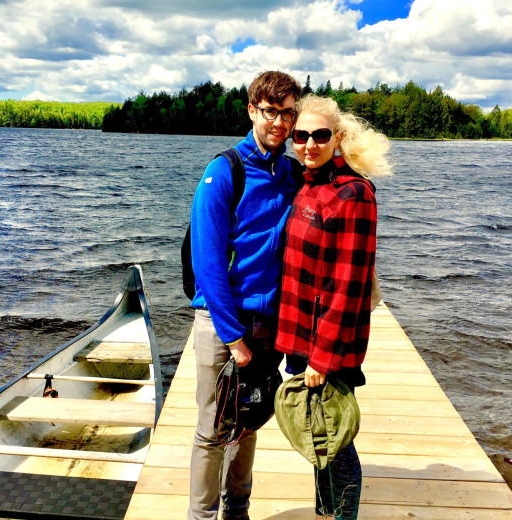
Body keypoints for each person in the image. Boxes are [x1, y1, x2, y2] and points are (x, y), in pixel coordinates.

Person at [188, 71, 303, 520]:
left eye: (288, 113)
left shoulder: (291, 172)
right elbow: (209, 265)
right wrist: (234, 339)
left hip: (269, 325)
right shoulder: (223, 172)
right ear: (252, 110)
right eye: (271, 112)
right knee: (212, 431)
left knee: (247, 424)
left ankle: (238, 511)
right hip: (223, 326)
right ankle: (201, 517)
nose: (280, 123)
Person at [274, 94, 393, 520]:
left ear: (337, 138)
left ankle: (341, 517)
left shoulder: (353, 194)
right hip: (301, 336)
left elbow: (348, 285)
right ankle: (327, 515)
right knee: (319, 435)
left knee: (337, 443)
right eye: (300, 136)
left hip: (327, 345)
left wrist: (321, 359)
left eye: (320, 135)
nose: (309, 144)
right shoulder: (309, 183)